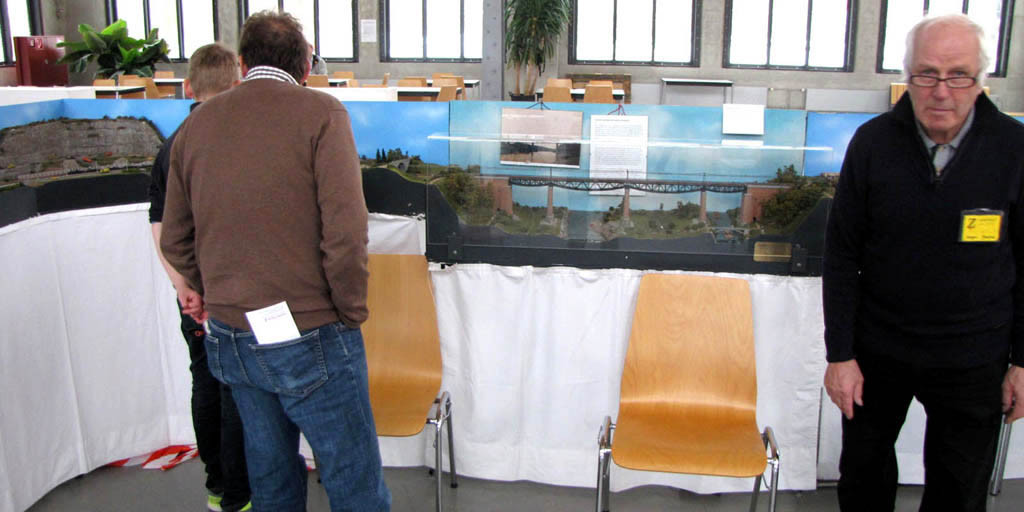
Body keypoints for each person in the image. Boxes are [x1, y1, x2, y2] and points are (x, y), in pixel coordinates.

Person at [159, 10, 391, 512]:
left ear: (243, 64)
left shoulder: (197, 125)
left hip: (232, 333)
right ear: (305, 66)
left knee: (271, 482)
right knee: (354, 482)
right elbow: (346, 233)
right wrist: (349, 311)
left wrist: (211, 290)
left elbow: (174, 238)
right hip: (311, 330)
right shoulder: (323, 113)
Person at [823, 13, 1024, 512]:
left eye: (959, 75)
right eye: (927, 74)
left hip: (975, 356)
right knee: (863, 480)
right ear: (907, 75)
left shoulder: (1016, 149)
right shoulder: (872, 143)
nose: (941, 91)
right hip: (877, 351)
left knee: (959, 491)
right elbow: (842, 253)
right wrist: (840, 355)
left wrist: (1023, 360)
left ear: (981, 79)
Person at [148, 42, 250, 512]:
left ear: (188, 87)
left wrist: (184, 288)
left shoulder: (172, 145)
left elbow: (160, 226)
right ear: (238, 83)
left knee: (205, 381)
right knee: (235, 388)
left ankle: (218, 486)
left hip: (193, 292)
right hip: (232, 290)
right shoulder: (235, 142)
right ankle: (240, 494)